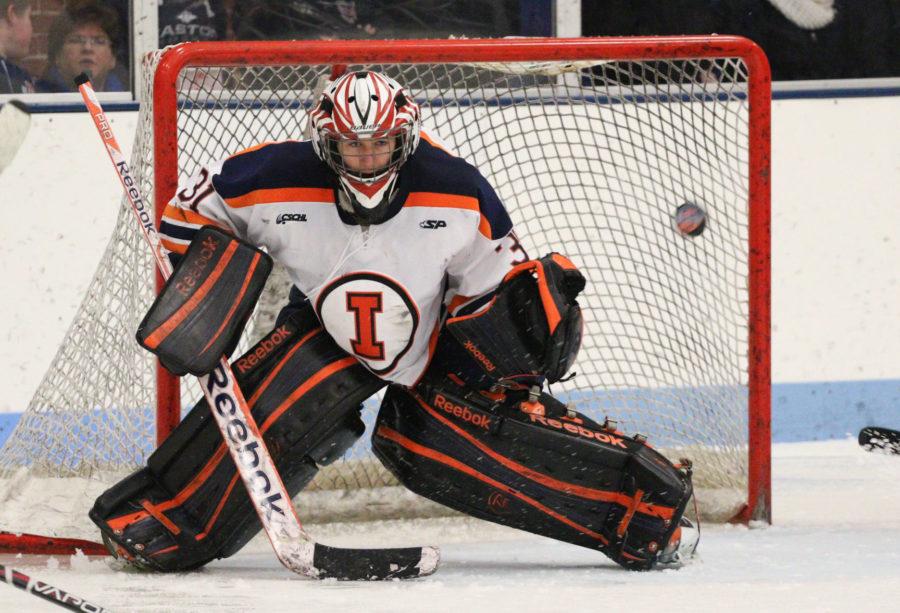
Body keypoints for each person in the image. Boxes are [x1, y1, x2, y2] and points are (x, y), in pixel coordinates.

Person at [89, 71, 698, 574]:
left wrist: (504, 360)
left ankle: (642, 513)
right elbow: (184, 222)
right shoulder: (265, 177)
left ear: (405, 140)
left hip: (433, 346)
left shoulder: (457, 190)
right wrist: (199, 283)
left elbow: (498, 286)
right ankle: (167, 522)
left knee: (437, 444)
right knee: (271, 407)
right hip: (324, 330)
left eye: (379, 144)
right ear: (327, 144)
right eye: (353, 145)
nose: (367, 156)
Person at [36, 1, 125, 93]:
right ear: (58, 56)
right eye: (76, 40)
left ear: (113, 58)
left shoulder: (129, 98)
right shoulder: (39, 97)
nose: (88, 48)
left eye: (99, 41)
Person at [0, 0, 33, 94]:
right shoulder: (8, 76)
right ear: (12, 14)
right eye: (30, 17)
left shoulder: (16, 74)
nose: (32, 28)